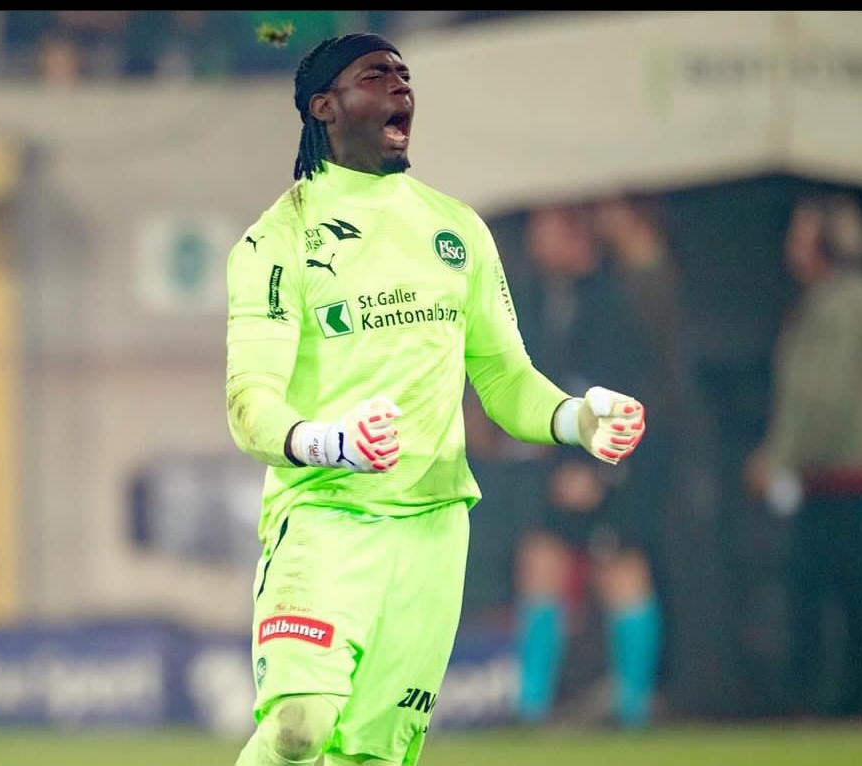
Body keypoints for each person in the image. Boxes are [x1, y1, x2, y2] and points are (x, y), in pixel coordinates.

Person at [224, 33, 647, 766]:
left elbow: (506, 380)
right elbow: (249, 404)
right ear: (325, 106)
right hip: (325, 519)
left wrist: (576, 417)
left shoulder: (457, 231)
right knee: (298, 727)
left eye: (405, 75)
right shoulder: (278, 241)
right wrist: (331, 442)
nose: (401, 87)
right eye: (376, 75)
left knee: (373, 756)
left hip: (432, 532)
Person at [507, 203, 663, 730]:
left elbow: (627, 385)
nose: (535, 237)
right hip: (558, 461)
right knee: (539, 562)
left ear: (574, 233)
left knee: (622, 571)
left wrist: (599, 468)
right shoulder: (543, 295)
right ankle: (530, 710)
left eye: (546, 225)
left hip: (607, 464)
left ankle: (635, 710)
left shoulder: (613, 298)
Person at [744, 193, 862, 717]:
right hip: (831, 477)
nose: (791, 246)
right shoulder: (829, 299)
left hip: (852, 477)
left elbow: (821, 396)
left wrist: (779, 456)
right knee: (837, 594)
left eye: (801, 234)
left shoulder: (843, 302)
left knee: (854, 597)